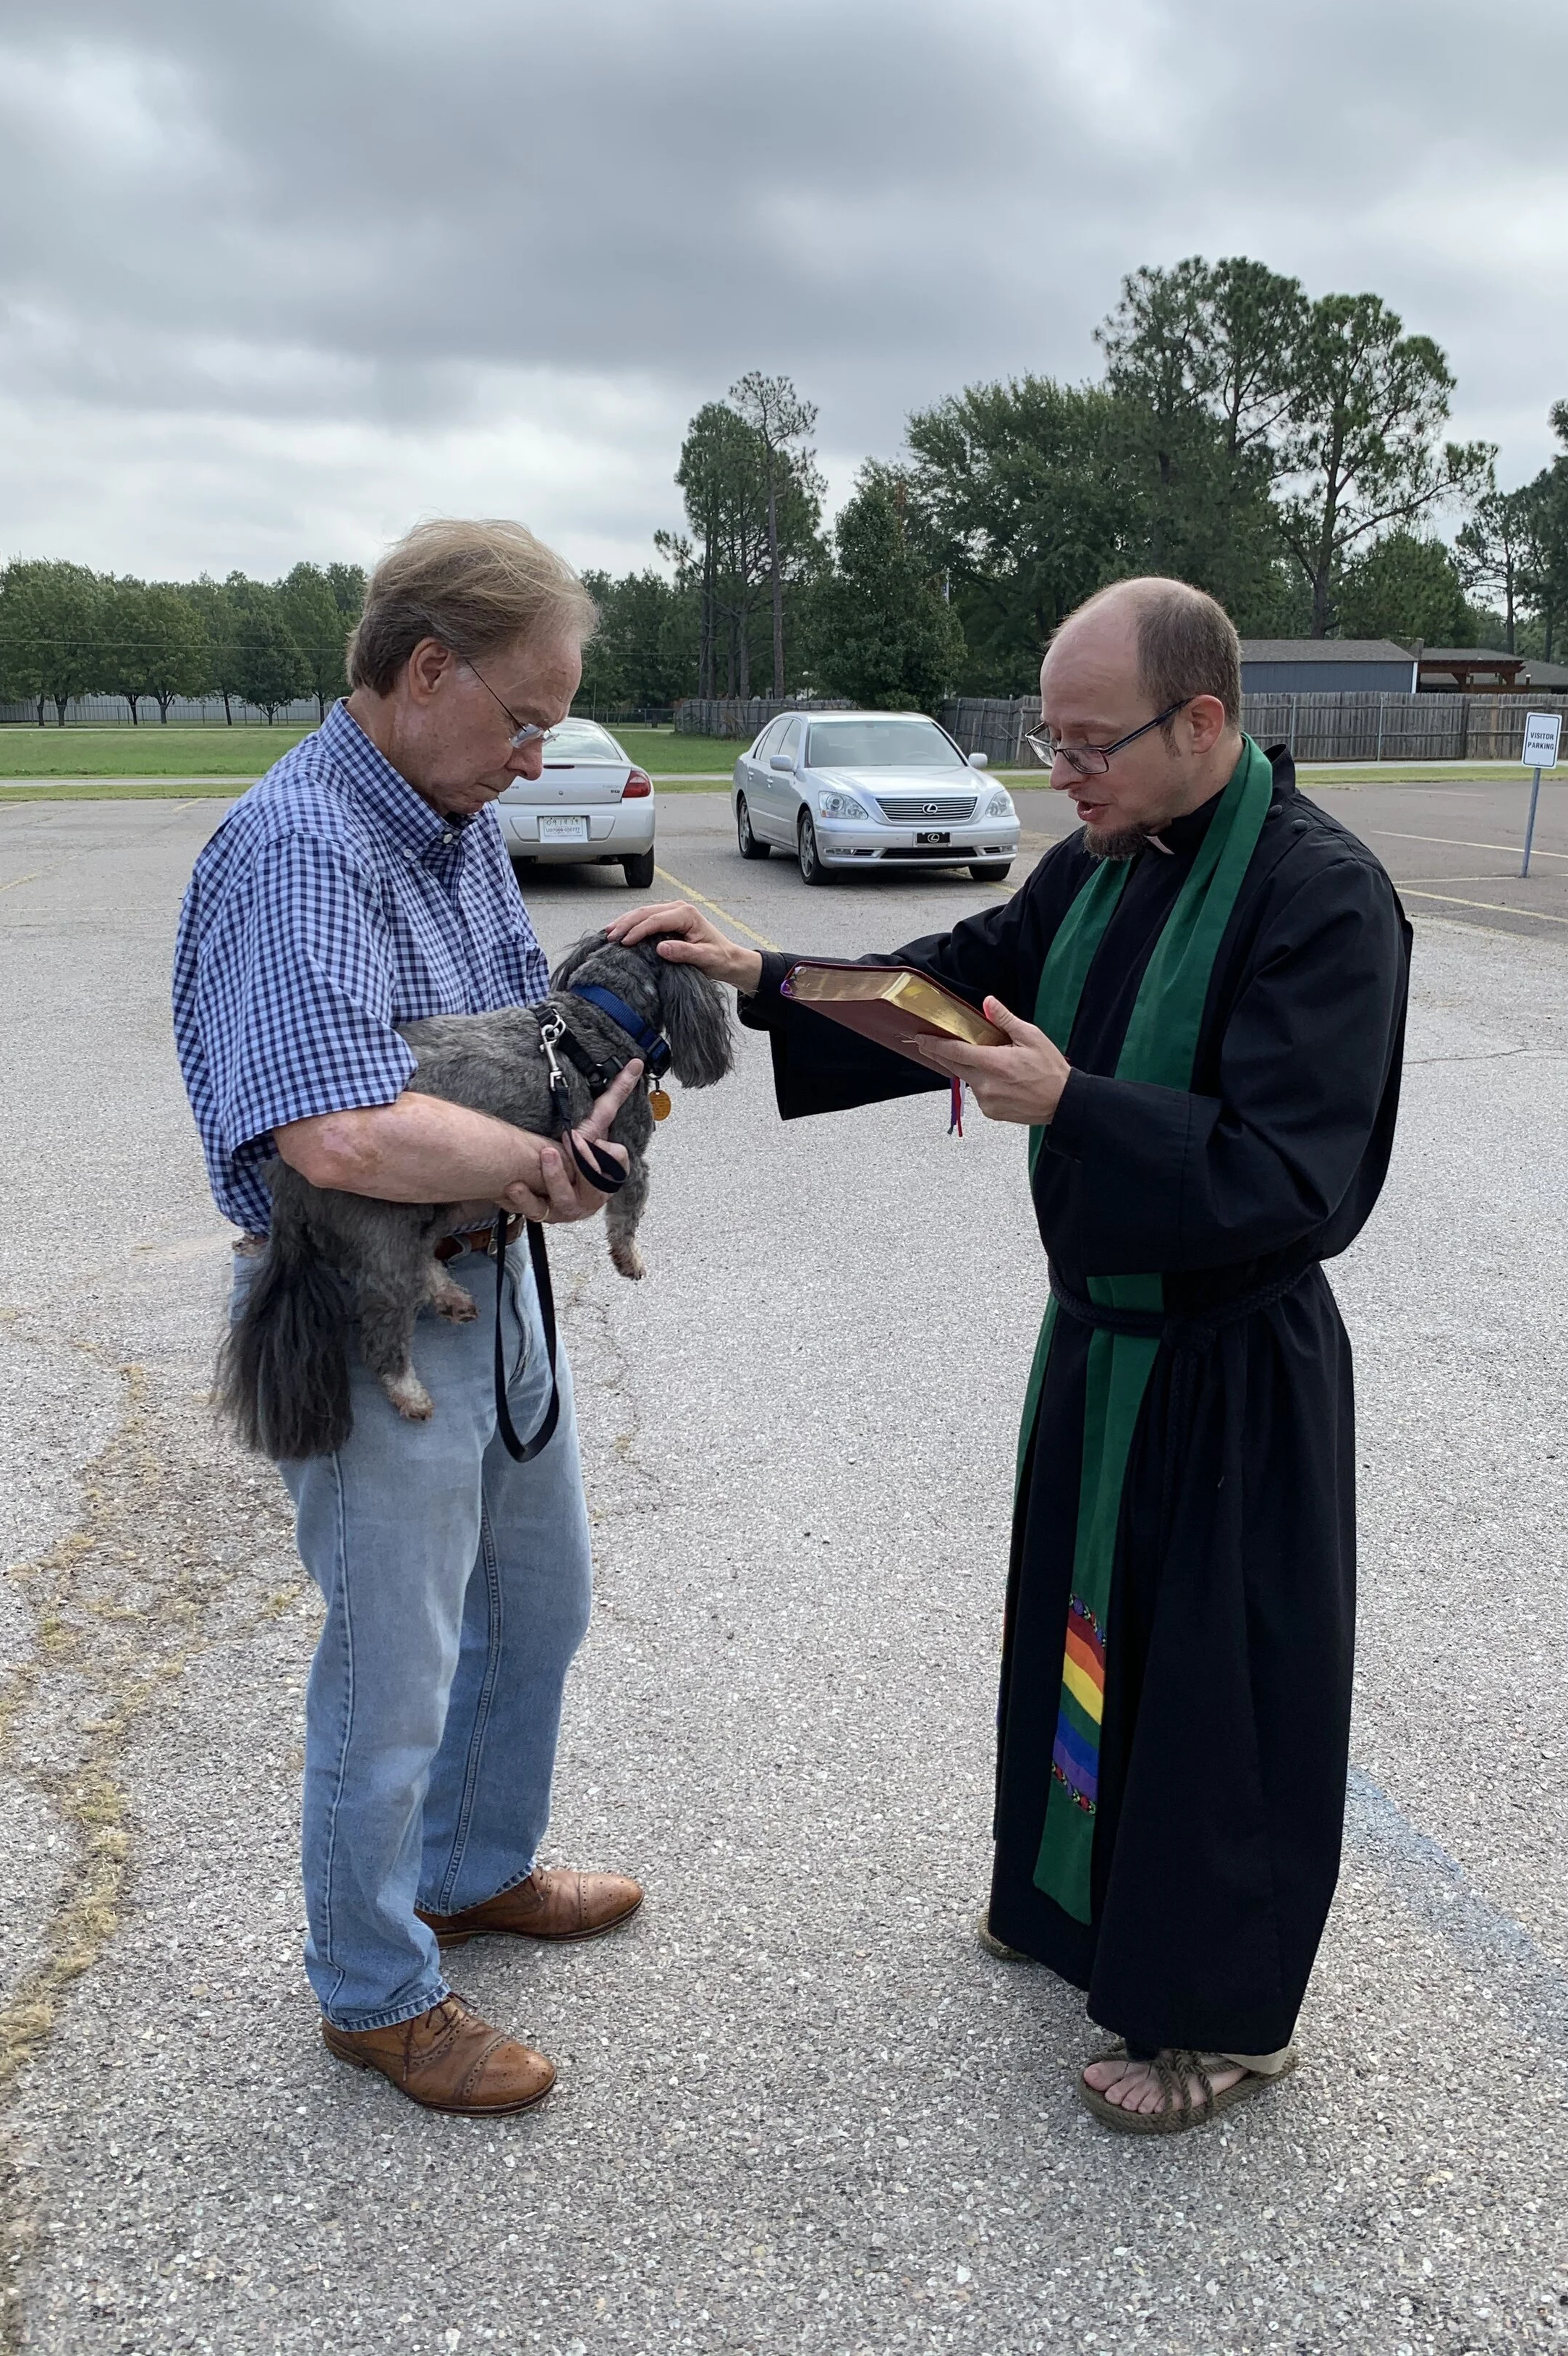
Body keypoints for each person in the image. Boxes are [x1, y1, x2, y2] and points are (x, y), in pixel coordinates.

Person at [614, 577, 1410, 2135]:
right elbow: (955, 983)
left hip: (1228, 1365)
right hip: (1102, 1340)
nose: (1059, 772)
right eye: (1042, 739)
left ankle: (1221, 2017)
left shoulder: (1319, 895)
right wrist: (760, 972)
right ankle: (1077, 1913)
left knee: (1220, 1696)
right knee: (1084, 1643)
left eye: (1085, 739)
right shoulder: (1108, 860)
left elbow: (1300, 1174)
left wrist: (1080, 1109)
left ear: (1201, 720)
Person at [174, 519, 645, 2118]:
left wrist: (600, 1066)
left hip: (488, 1279)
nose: (532, 755)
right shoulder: (305, 843)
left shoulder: (446, 824)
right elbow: (338, 1130)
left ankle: (468, 1867)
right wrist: (539, 1158)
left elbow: (513, 1031)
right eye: (519, 717)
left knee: (537, 1605)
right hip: (369, 1302)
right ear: (423, 669)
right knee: (391, 1673)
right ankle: (374, 1990)